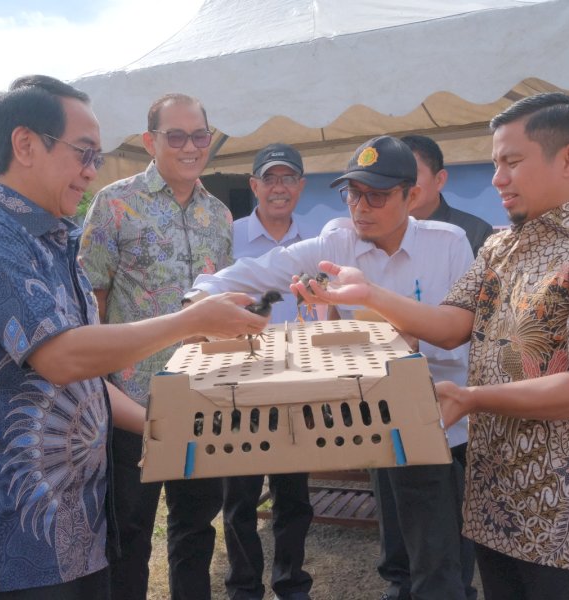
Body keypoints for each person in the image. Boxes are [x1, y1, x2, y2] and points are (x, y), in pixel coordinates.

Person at [0, 77, 268, 599]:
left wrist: (169, 421)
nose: (93, 168)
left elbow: (87, 372)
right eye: (84, 152)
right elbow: (63, 357)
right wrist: (191, 322)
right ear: (25, 145)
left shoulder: (59, 238)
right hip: (19, 518)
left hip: (76, 514)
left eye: (98, 154)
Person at [291, 93, 569, 600]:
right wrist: (369, 294)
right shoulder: (501, 245)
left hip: (568, 516)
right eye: (497, 162)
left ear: (568, 158)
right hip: (498, 505)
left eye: (511, 162)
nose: (498, 178)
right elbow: (452, 325)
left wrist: (472, 398)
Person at [188, 136, 475, 599]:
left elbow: (456, 344)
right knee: (397, 559)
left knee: (441, 566)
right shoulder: (338, 242)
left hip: (438, 425)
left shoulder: (448, 245)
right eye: (352, 193)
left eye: (376, 195)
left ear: (411, 195)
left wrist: (389, 332)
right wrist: (198, 299)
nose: (361, 207)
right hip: (381, 422)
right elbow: (261, 270)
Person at [79, 92, 234, 600]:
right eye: (176, 136)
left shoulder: (221, 216)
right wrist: (97, 385)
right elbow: (90, 305)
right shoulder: (115, 203)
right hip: (131, 404)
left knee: (195, 529)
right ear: (150, 141)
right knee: (128, 534)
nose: (190, 147)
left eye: (199, 135)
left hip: (201, 401)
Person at [365, 135, 487, 600]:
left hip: (449, 418)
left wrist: (410, 336)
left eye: (407, 181)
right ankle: (399, 585)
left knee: (444, 544)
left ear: (434, 181)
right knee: (396, 528)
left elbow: (468, 333)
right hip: (385, 411)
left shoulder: (471, 236)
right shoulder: (370, 239)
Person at [223, 143, 319, 600]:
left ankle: (290, 581)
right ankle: (243, 586)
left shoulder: (317, 241)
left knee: (293, 495)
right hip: (240, 379)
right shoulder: (229, 237)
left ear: (300, 186)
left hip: (299, 379)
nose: (279, 188)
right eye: (270, 179)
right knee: (239, 495)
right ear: (254, 186)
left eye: (288, 179)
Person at [401, 135, 493, 257]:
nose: (401, 183)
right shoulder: (382, 231)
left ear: (439, 179)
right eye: (393, 176)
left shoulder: (475, 233)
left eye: (411, 174)